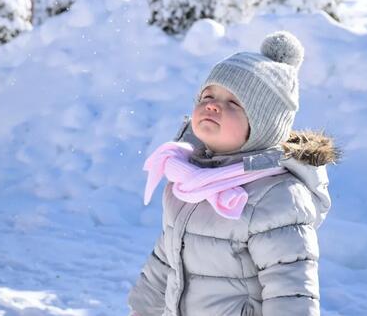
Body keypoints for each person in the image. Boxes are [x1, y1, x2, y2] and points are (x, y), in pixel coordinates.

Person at [127, 31, 340, 316]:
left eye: (234, 103)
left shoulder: (277, 196)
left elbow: (291, 293)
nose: (213, 105)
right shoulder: (188, 180)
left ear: (263, 126)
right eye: (208, 95)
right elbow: (165, 262)